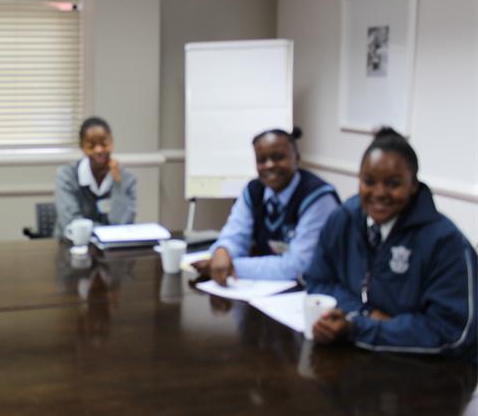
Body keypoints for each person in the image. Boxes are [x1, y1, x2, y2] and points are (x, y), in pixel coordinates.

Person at [305, 127, 477, 360]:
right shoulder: (343, 219)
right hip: (359, 357)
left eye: (393, 184)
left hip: (431, 369)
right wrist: (365, 314)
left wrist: (359, 328)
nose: (379, 193)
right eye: (369, 181)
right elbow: (318, 279)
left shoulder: (445, 242)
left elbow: (451, 331)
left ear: (413, 185)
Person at [193, 128, 340, 285]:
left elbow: (299, 266)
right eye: (261, 160)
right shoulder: (254, 190)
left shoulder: (318, 198)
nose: (269, 165)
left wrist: (232, 266)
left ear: (297, 158)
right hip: (270, 288)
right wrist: (223, 251)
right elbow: (236, 234)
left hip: (317, 289)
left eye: (278, 157)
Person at [54, 116, 137, 239]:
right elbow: (71, 222)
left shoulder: (126, 178)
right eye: (91, 145)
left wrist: (117, 183)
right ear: (82, 147)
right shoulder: (67, 175)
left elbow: (123, 223)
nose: (99, 150)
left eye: (104, 143)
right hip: (72, 244)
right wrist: (107, 231)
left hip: (113, 246)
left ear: (111, 143)